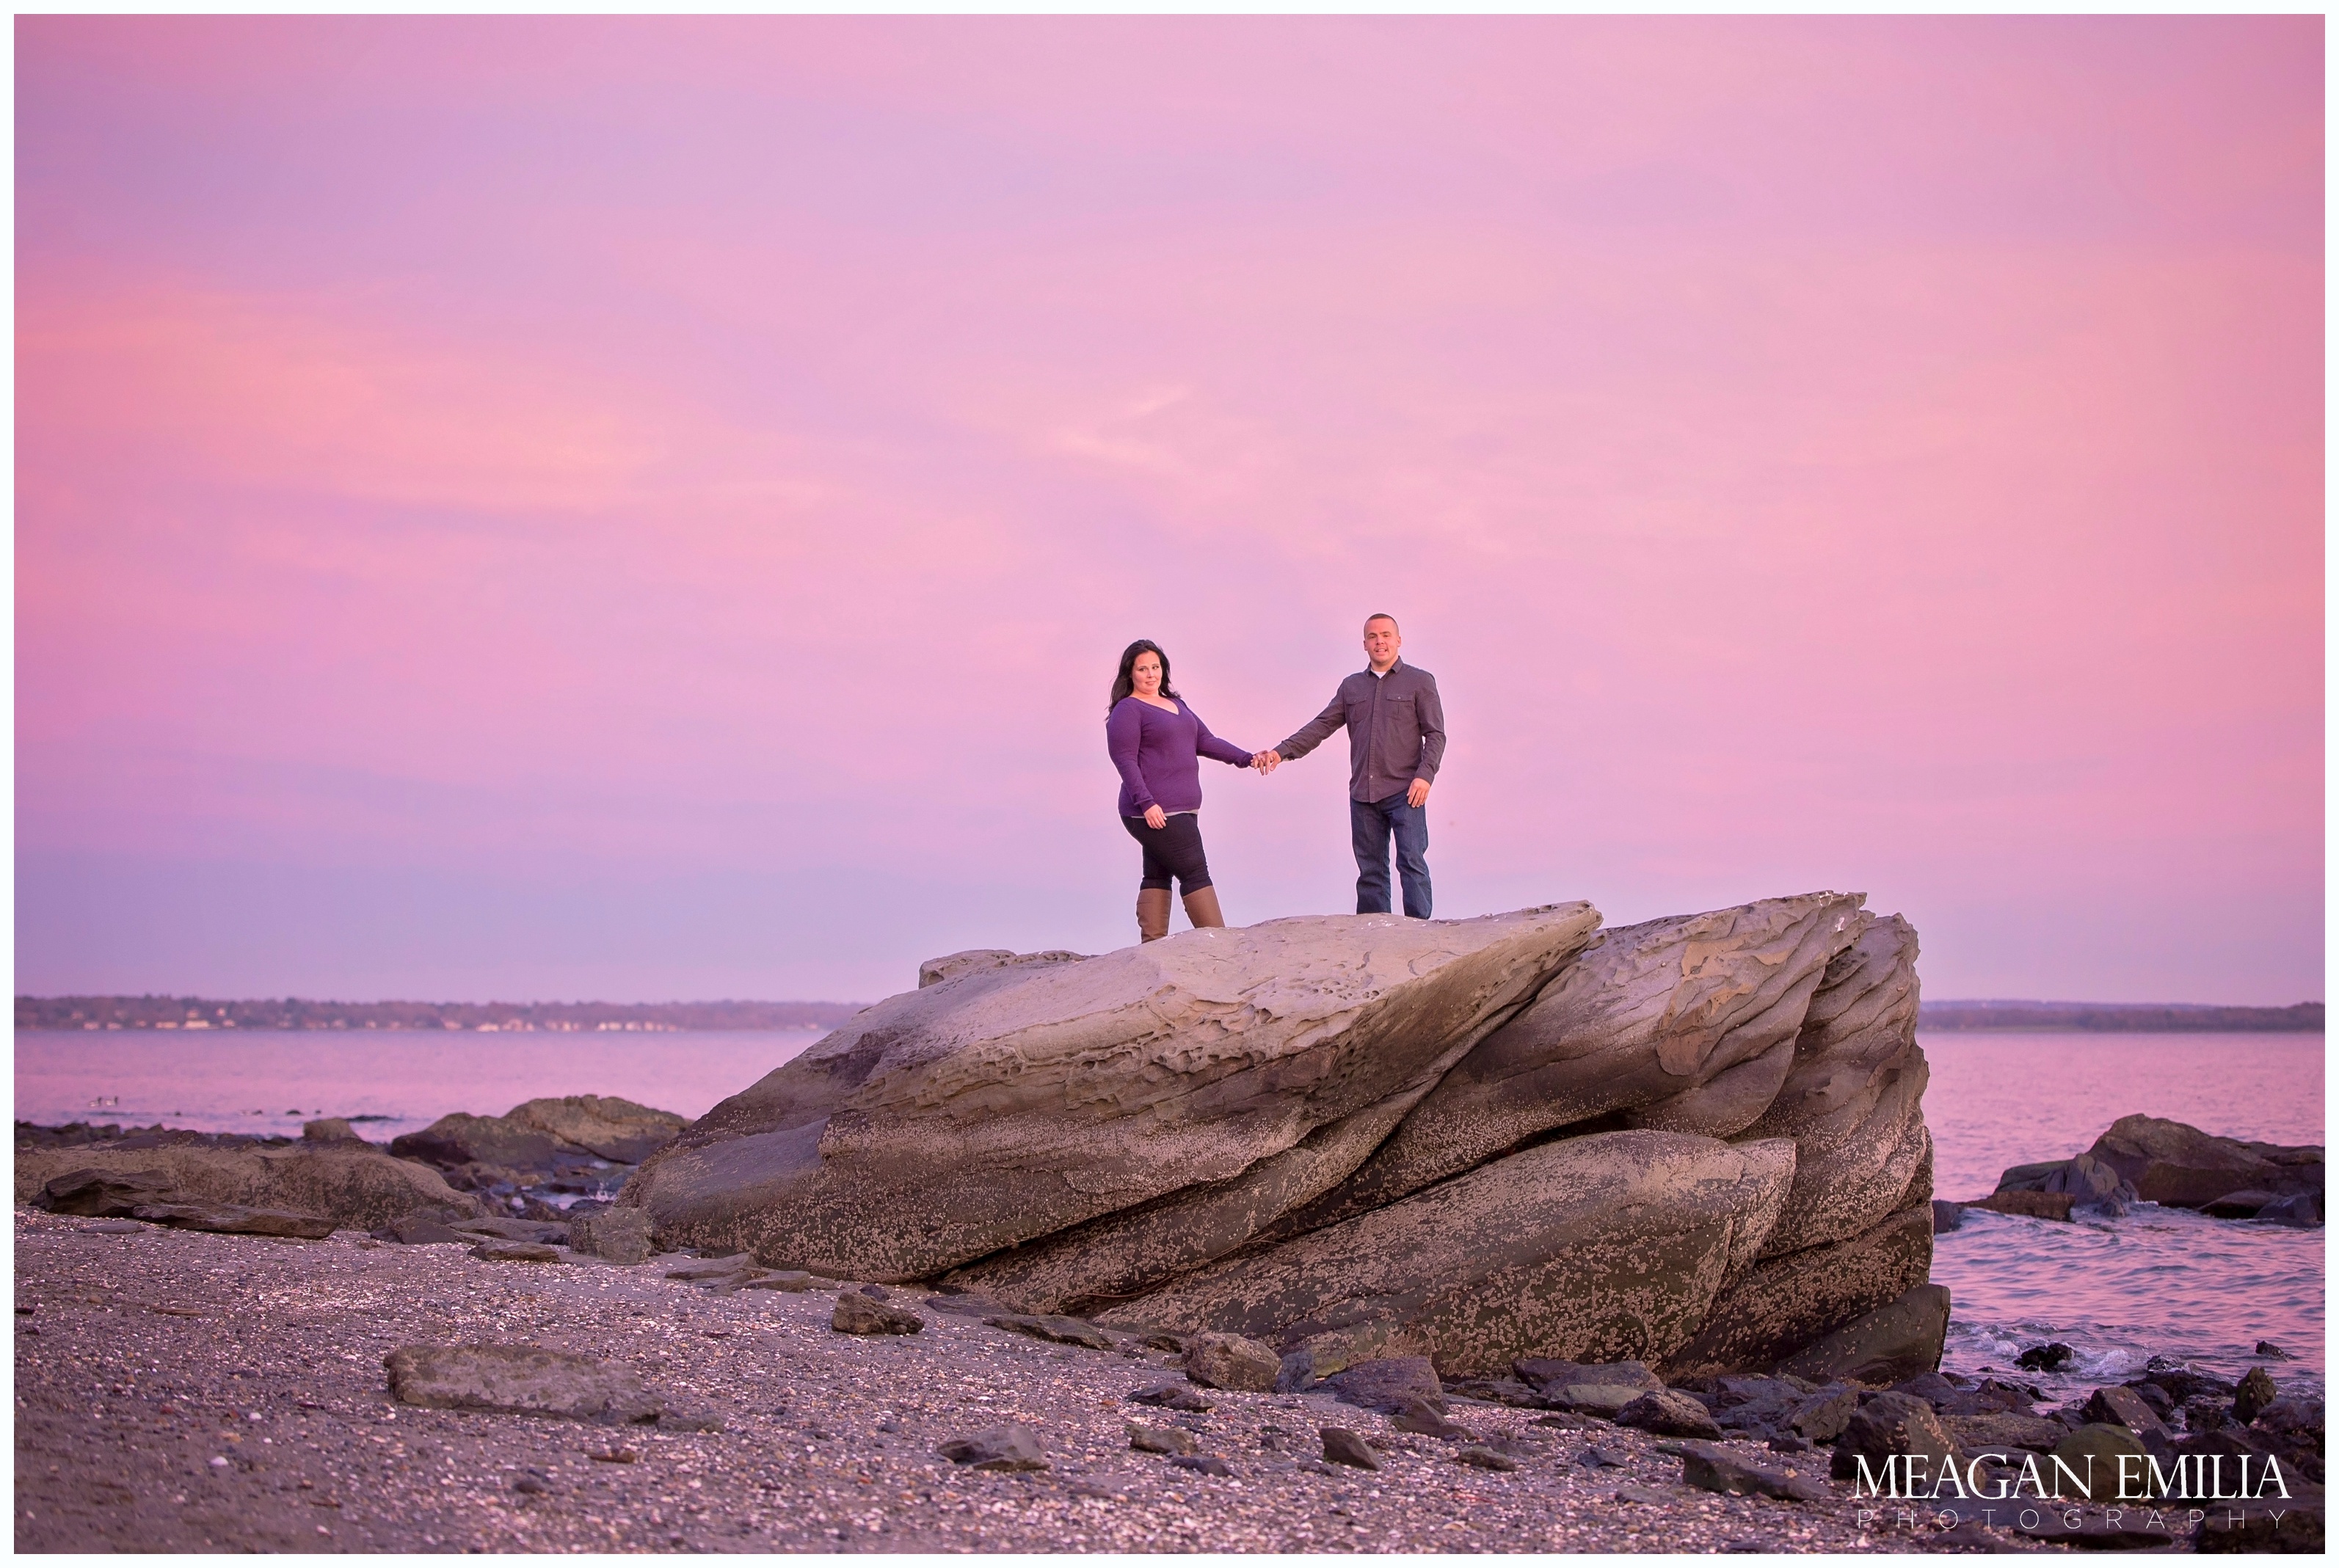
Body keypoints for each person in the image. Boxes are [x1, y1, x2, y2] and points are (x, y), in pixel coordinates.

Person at [1256, 614, 1445, 918]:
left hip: (1406, 791)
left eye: (1386, 635)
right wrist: (1281, 752)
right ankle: (1372, 933)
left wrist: (1425, 777)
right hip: (1363, 794)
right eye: (1373, 637)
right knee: (1370, 872)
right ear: (1364, 644)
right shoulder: (1351, 687)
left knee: (1411, 862)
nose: (1379, 641)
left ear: (1399, 640)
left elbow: (1435, 734)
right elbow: (1321, 726)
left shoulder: (1420, 681)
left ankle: (1419, 933)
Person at [1105, 639, 1262, 943]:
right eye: (1142, 669)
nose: (1151, 674)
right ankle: (1220, 946)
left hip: (1184, 809)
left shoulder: (1178, 705)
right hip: (1153, 811)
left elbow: (1206, 741)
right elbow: (1123, 759)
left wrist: (1246, 758)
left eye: (1156, 667)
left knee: (1157, 873)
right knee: (1195, 872)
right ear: (1130, 674)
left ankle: (1152, 947)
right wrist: (1147, 803)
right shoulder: (1128, 710)